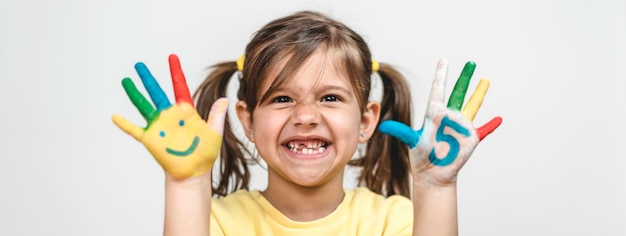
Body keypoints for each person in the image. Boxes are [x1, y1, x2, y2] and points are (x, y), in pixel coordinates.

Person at [112, 10, 502, 236]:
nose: (305, 116)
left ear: (366, 120)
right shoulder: (213, 222)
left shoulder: (395, 221)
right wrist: (187, 183)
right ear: (247, 119)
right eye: (282, 98)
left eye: (330, 98)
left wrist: (436, 186)